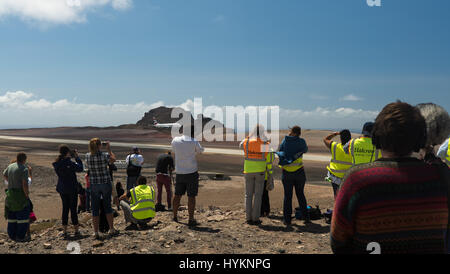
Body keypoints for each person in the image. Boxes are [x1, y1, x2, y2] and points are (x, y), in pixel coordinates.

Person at [331, 101, 450, 254]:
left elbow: (338, 240)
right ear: (420, 139)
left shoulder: (356, 179)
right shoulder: (440, 177)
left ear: (377, 137)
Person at [85, 138, 119, 239]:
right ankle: (111, 229)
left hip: (94, 184)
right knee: (107, 206)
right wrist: (109, 149)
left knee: (95, 208)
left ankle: (96, 231)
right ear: (99, 145)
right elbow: (113, 160)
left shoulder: (87, 156)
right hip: (105, 182)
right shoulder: (104, 155)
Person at [276, 126, 310, 226]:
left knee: (288, 196)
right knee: (300, 195)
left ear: (292, 132)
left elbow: (281, 153)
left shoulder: (285, 141)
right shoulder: (302, 141)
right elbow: (305, 150)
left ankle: (287, 220)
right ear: (299, 133)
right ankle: (306, 217)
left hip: (286, 173)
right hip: (299, 172)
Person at [239, 124, 272, 226]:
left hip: (248, 171)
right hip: (260, 172)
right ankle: (255, 218)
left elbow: (240, 146)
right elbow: (270, 155)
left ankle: (248, 217)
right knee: (258, 196)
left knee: (248, 195)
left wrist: (249, 136)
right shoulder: (265, 143)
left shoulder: (247, 142)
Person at [171, 125, 204, 227]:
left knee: (177, 195)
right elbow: (200, 150)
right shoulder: (194, 141)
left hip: (180, 172)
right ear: (193, 132)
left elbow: (173, 149)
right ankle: (191, 219)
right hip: (191, 172)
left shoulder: (175, 140)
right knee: (191, 196)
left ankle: (175, 216)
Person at [53, 145, 84, 238]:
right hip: (72, 189)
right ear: (67, 153)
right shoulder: (69, 163)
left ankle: (65, 231)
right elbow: (80, 168)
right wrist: (77, 157)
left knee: (65, 208)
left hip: (62, 189)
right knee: (73, 209)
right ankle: (76, 230)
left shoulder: (57, 164)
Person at [3, 153, 31, 242]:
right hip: (19, 195)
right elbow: (25, 184)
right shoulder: (24, 169)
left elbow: (4, 174)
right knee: (23, 216)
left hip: (10, 194)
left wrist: (11, 182)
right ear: (24, 159)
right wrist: (26, 194)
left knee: (12, 215)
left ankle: (12, 235)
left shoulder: (11, 166)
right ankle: (21, 237)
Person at [323, 130, 352, 198]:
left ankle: (338, 208)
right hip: (348, 177)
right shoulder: (353, 148)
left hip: (335, 177)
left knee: (337, 197)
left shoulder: (335, 146)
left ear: (341, 138)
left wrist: (335, 134)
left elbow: (325, 139)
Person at [261, 152, 274, 217]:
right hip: (266, 174)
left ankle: (262, 211)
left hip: (262, 174)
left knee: (261, 194)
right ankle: (266, 210)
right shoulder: (270, 150)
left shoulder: (263, 148)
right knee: (265, 194)